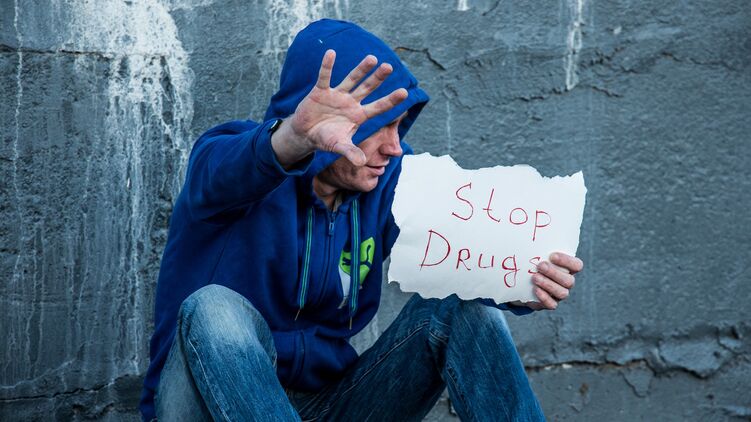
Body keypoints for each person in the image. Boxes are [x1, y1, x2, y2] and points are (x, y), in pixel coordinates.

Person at [139, 19, 584, 421]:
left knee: (461, 310)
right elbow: (230, 169)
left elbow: (466, 251)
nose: (394, 146)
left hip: (329, 404)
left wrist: (523, 282)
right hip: (206, 404)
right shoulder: (230, 164)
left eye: (399, 126)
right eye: (378, 126)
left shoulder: (389, 181)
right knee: (214, 308)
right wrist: (293, 137)